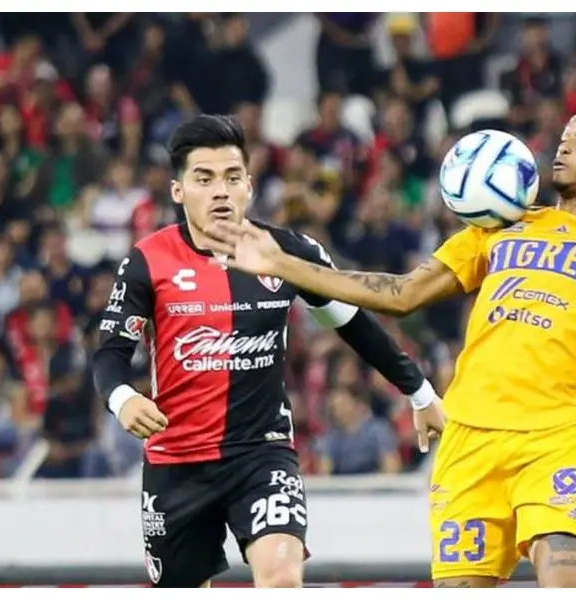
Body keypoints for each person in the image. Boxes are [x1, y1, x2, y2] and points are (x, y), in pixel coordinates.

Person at [200, 108, 576, 588]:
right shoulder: (500, 226)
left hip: (553, 435)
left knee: (566, 579)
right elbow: (403, 294)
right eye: (564, 138)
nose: (564, 147)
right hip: (468, 439)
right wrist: (283, 265)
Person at [91, 114, 440, 588]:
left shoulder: (287, 253)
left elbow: (353, 324)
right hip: (177, 463)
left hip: (262, 454)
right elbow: (109, 353)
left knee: (281, 579)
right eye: (204, 178)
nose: (220, 191)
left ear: (250, 187)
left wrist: (419, 391)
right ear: (178, 191)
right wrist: (123, 399)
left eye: (232, 178)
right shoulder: (147, 260)